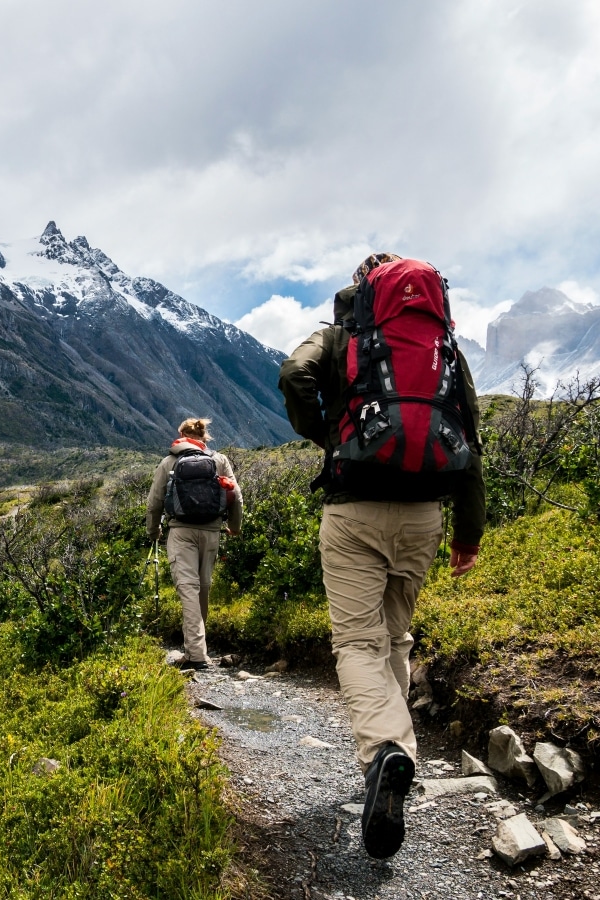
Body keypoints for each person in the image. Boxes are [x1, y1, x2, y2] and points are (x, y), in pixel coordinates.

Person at [278, 252, 485, 860]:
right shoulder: (443, 347)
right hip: (425, 515)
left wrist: (328, 433)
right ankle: (397, 756)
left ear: (363, 288)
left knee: (357, 643)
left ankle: (385, 753)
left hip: (354, 509)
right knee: (395, 638)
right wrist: (467, 535)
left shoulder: (342, 335)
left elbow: (294, 375)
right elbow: (470, 435)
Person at [146, 417, 243, 668]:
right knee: (203, 588)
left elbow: (154, 501)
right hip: (211, 532)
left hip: (181, 533)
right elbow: (236, 496)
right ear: (204, 437)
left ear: (180, 435)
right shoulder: (219, 460)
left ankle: (196, 655)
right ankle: (198, 648)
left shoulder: (169, 461)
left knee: (188, 589)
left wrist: (154, 531)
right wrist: (233, 527)